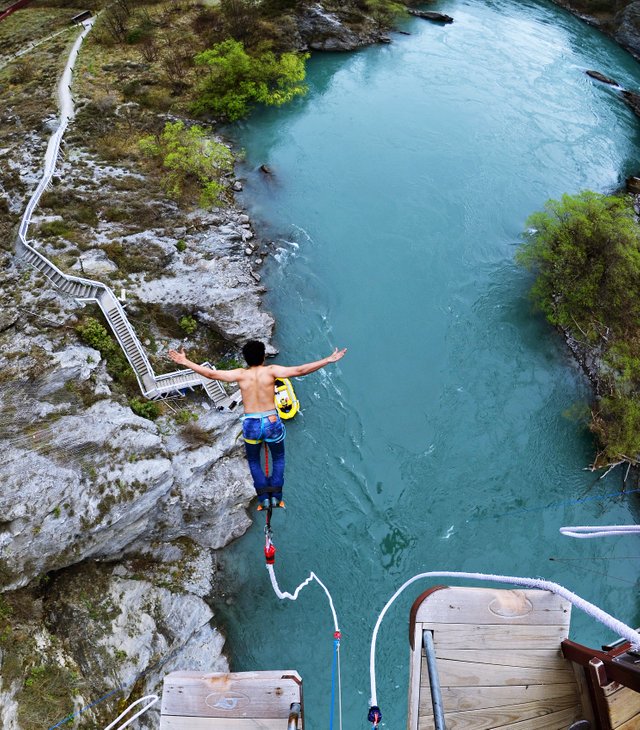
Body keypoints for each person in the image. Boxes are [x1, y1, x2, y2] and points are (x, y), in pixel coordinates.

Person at [168, 341, 347, 510]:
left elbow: (211, 374)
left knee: (254, 461)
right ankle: (276, 497)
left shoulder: (241, 374)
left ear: (246, 359)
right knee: (278, 458)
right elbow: (300, 370)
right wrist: (328, 360)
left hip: (251, 424)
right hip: (271, 422)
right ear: (262, 357)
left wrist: (185, 361)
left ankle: (263, 500)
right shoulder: (271, 371)